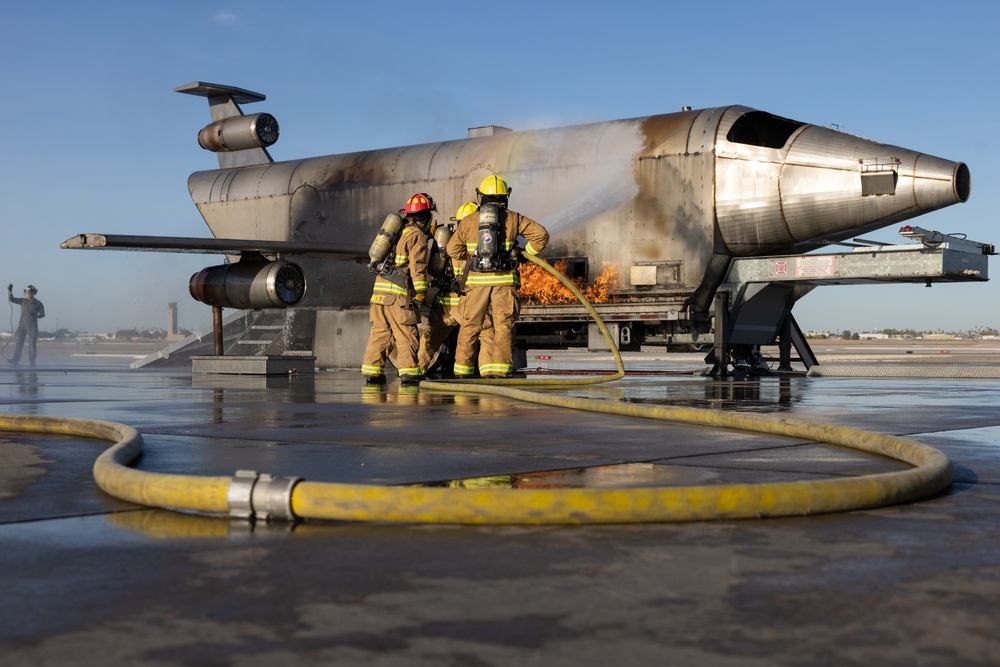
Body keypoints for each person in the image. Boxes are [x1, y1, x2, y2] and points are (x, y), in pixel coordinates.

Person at [446, 175, 548, 378]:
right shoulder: (514, 218)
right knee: (503, 326)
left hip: (475, 285)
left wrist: (471, 255)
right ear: (505, 196)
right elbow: (541, 235)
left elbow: (452, 250)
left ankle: (462, 371)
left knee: (470, 326)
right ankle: (500, 372)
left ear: (481, 196)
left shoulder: (469, 221)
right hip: (504, 283)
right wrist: (522, 254)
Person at [361, 193, 433, 385]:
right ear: (426, 217)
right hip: (398, 297)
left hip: (378, 294)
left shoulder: (397, 231)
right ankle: (409, 373)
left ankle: (372, 372)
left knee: (380, 333)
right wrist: (420, 294)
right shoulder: (417, 236)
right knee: (406, 333)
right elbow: (418, 267)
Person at [418, 202, 476, 375]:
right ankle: (464, 373)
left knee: (430, 340)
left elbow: (435, 271)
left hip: (444, 303)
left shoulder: (448, 242)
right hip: (465, 303)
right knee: (485, 335)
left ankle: (415, 370)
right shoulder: (471, 246)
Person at [7, 284, 45, 366]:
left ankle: (32, 362)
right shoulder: (23, 301)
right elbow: (12, 299)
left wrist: (36, 316)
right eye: (27, 293)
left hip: (32, 326)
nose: (28, 295)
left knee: (32, 344)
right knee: (19, 343)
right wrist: (10, 291)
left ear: (34, 293)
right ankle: (15, 360)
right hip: (22, 325)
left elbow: (43, 314)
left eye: (30, 293)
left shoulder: (38, 303)